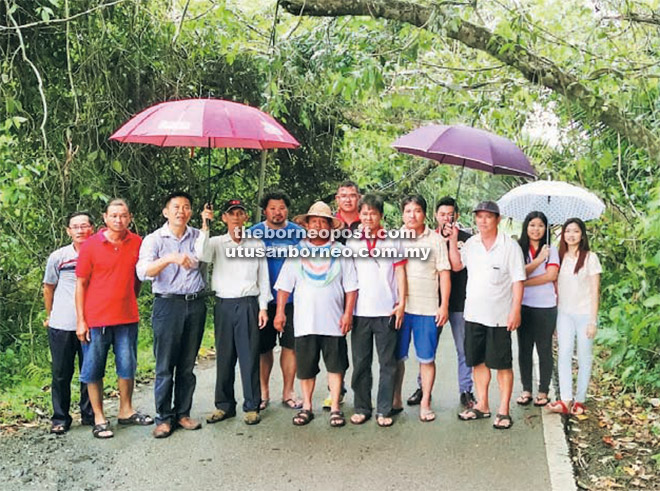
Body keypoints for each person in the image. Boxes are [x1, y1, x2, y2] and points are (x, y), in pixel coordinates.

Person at [274, 201, 358, 427]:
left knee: (336, 366)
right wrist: (280, 312)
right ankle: (307, 406)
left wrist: (348, 314)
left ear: (330, 227)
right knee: (306, 367)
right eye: (314, 222)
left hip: (334, 321)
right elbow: (284, 286)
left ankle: (336, 408)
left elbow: (351, 287)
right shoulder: (296, 252)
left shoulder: (341, 252)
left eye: (323, 221)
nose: (318, 225)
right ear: (307, 226)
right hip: (304, 322)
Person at [76, 199, 154, 439]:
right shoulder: (90, 246)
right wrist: (81, 320)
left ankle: (126, 410)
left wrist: (131, 297)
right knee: (93, 368)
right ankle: (99, 417)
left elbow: (138, 277)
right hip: (96, 318)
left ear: (129, 217)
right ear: (105, 218)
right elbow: (80, 283)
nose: (119, 220)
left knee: (127, 365)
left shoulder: (137, 243)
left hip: (127, 317)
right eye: (114, 216)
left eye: (123, 215)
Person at [136, 191, 208, 438]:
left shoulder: (198, 236)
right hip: (167, 306)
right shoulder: (155, 239)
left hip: (195, 304)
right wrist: (169, 258)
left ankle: (183, 413)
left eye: (186, 207)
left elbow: (207, 256)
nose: (181, 211)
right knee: (165, 365)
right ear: (166, 212)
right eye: (176, 207)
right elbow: (143, 272)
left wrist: (207, 223)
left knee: (187, 365)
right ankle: (164, 417)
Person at [448, 200, 525, 430]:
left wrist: (516, 310)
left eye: (488, 217)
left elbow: (518, 280)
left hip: (500, 316)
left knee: (502, 364)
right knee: (477, 362)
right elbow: (456, 266)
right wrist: (453, 241)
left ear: (498, 219)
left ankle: (503, 410)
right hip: (473, 314)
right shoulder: (471, 244)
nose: (483, 221)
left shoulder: (509, 247)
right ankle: (482, 404)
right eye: (479, 216)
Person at [196, 199, 271, 425]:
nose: (236, 217)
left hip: (248, 303)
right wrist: (204, 225)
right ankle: (224, 405)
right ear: (224, 218)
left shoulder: (256, 244)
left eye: (240, 213)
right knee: (225, 357)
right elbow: (201, 255)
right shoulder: (217, 243)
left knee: (249, 356)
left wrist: (264, 307)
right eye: (232, 214)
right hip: (224, 304)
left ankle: (252, 406)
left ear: (246, 218)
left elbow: (263, 277)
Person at [407, 197, 476, 409]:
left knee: (463, 349)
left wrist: (452, 241)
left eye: (451, 214)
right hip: (430, 303)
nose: (447, 217)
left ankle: (466, 390)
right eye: (443, 214)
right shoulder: (427, 238)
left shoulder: (467, 239)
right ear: (436, 216)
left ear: (457, 216)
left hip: (459, 303)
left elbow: (457, 267)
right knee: (426, 350)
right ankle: (422, 388)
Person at [346, 194, 407, 427]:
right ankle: (361, 406)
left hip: (387, 311)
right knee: (361, 362)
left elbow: (400, 273)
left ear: (380, 215)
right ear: (359, 215)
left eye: (373, 212)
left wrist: (401, 303)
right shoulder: (352, 242)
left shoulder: (392, 240)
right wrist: (347, 311)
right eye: (364, 213)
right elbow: (348, 279)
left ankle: (384, 409)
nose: (368, 217)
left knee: (387, 363)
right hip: (360, 312)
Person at [393, 195, 451, 422]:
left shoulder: (436, 240)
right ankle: (396, 398)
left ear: (424, 214)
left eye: (417, 211)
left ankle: (425, 401)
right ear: (402, 214)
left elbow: (444, 274)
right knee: (397, 357)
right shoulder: (395, 238)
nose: (412, 215)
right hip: (401, 308)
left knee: (426, 358)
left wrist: (443, 305)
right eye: (408, 211)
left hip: (427, 308)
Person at [248, 190, 304, 410]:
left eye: (281, 208)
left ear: (287, 210)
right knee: (264, 348)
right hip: (263, 301)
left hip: (293, 301)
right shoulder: (254, 233)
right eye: (273, 208)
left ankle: (288, 392)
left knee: (291, 346)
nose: (277, 212)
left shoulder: (298, 233)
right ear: (265, 211)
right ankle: (263, 392)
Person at [43, 211, 95, 434]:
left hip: (92, 321)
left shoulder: (98, 253)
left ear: (92, 228)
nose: (81, 230)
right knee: (61, 372)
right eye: (76, 227)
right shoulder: (58, 256)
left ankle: (90, 413)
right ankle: (60, 417)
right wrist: (50, 315)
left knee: (90, 370)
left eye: (85, 225)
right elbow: (48, 287)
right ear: (68, 231)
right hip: (62, 323)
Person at [547, 218, 601, 416]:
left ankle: (580, 400)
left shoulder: (590, 258)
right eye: (567, 231)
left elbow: (595, 291)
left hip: (585, 314)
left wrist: (593, 321)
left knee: (585, 357)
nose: (571, 235)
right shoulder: (558, 257)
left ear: (582, 235)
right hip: (564, 313)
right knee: (564, 354)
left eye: (575, 231)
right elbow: (554, 287)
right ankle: (566, 399)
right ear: (563, 235)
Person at [515, 211, 559, 408]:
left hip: (546, 307)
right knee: (524, 350)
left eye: (540, 225)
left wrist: (523, 283)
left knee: (544, 350)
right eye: (532, 225)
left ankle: (543, 391)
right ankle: (526, 390)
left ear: (546, 228)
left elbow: (551, 276)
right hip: (523, 306)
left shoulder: (552, 250)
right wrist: (538, 260)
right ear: (526, 227)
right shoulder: (518, 249)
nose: (536, 229)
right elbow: (516, 272)